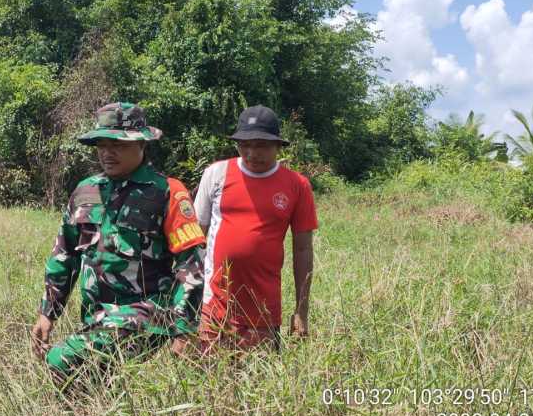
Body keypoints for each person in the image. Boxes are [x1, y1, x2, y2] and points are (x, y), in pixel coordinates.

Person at [30, 102, 205, 380]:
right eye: (101, 144)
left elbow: (192, 264)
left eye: (118, 145)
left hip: (147, 314)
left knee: (62, 360)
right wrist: (48, 313)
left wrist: (184, 328)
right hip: (96, 317)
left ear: (142, 144)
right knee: (95, 385)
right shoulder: (85, 191)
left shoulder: (167, 191)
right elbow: (65, 256)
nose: (107, 153)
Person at [192, 105, 318, 351]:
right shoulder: (216, 174)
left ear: (278, 146)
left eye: (261, 145)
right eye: (244, 145)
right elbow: (196, 239)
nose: (252, 153)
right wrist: (187, 305)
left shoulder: (297, 185)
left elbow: (303, 250)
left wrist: (301, 311)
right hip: (213, 307)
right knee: (208, 383)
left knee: (260, 382)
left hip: (263, 313)